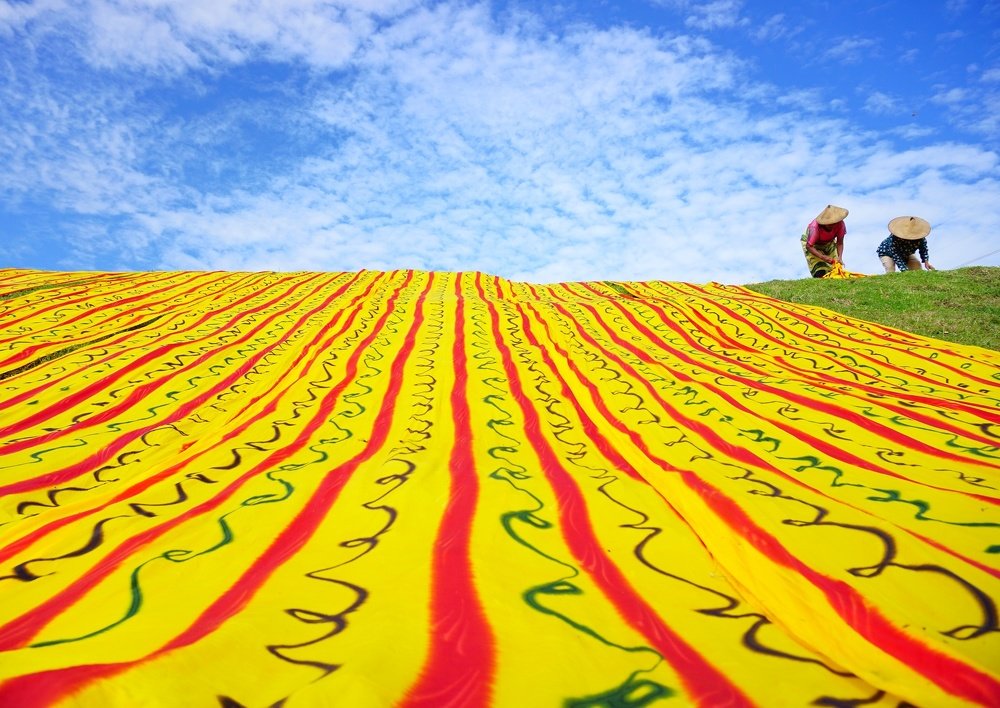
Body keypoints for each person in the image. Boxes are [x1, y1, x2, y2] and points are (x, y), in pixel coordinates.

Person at [801, 204, 848, 278]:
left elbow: (839, 242)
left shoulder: (841, 224)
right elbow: (809, 246)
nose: (832, 225)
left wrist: (840, 257)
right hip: (812, 245)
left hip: (829, 243)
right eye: (829, 224)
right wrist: (822, 257)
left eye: (834, 223)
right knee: (819, 270)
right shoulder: (815, 227)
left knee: (835, 268)